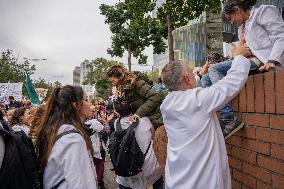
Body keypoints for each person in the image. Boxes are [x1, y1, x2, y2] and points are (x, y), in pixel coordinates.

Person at [160, 46, 252, 189]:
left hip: (176, 180)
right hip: (201, 182)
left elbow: (185, 89)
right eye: (191, 71)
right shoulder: (197, 101)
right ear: (188, 78)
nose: (193, 73)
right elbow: (230, 84)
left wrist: (199, 75)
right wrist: (238, 57)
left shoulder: (167, 104)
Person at [206, 0, 284, 138]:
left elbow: (280, 36)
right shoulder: (241, 28)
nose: (231, 22)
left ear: (237, 10)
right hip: (246, 61)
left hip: (262, 60)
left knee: (213, 69)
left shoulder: (264, 12)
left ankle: (229, 117)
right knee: (206, 78)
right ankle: (215, 118)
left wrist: (273, 59)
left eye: (230, 19)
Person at [107, 65, 168, 170]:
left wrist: (139, 113)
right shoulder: (123, 88)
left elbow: (154, 97)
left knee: (160, 163)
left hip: (156, 122)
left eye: (113, 80)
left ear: (120, 77)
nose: (113, 83)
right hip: (146, 123)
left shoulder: (137, 83)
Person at [35, 85, 97, 189]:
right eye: (86, 100)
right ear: (75, 105)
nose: (89, 103)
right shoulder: (73, 139)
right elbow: (81, 185)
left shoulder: (58, 130)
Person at [113, 97, 162, 189]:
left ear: (117, 110)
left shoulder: (116, 123)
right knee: (158, 180)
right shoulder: (145, 121)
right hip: (149, 170)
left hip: (126, 171)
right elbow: (153, 137)